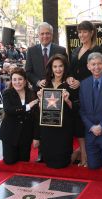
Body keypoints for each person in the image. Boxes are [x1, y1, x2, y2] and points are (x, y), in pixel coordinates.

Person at [25, 21, 68, 162]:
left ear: (52, 35)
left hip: (57, 91)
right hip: (39, 92)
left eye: (47, 33)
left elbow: (65, 69)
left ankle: (56, 150)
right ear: (38, 35)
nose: (45, 36)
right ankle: (41, 152)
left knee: (55, 122)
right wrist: (37, 82)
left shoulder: (61, 50)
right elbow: (28, 72)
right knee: (41, 122)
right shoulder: (31, 51)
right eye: (42, 33)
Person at [68, 21, 102, 166]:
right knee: (78, 125)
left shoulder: (97, 49)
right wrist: (69, 78)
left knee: (87, 123)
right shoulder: (76, 50)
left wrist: (81, 82)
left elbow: (97, 72)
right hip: (74, 92)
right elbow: (71, 70)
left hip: (90, 92)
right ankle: (83, 155)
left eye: (84, 32)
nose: (82, 35)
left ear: (91, 32)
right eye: (79, 32)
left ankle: (88, 156)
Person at [37, 54, 77, 169]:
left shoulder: (70, 84)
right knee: (49, 163)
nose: (58, 69)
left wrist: (67, 100)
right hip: (47, 126)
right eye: (55, 66)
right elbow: (40, 110)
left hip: (64, 127)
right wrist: (40, 100)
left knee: (62, 163)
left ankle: (76, 153)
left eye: (61, 66)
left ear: (65, 67)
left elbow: (76, 108)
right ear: (51, 68)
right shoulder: (45, 84)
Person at [0, 67, 40, 164]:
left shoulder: (32, 94)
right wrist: (28, 106)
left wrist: (36, 137)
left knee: (24, 162)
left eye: (20, 79)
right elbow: (9, 110)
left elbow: (36, 118)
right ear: (11, 81)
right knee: (9, 162)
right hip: (10, 134)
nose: (17, 82)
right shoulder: (7, 93)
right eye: (14, 79)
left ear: (25, 81)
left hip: (26, 135)